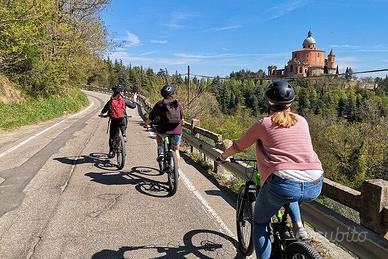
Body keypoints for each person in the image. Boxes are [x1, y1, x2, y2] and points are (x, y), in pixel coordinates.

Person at [217, 80, 323, 259]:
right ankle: (298, 225)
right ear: (291, 103)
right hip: (315, 181)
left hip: (282, 182)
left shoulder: (264, 124)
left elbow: (238, 146)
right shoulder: (302, 121)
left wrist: (222, 157)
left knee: (259, 223)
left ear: (269, 103)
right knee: (292, 190)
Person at [144, 84, 184, 163]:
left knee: (158, 136)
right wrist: (181, 125)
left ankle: (161, 152)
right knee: (176, 150)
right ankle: (177, 170)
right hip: (177, 131)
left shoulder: (159, 104)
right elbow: (182, 118)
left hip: (164, 130)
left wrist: (146, 124)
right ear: (172, 93)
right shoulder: (177, 104)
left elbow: (151, 117)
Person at [100, 84, 136, 158]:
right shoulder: (124, 100)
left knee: (112, 137)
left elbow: (104, 109)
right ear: (121, 92)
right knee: (124, 121)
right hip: (122, 120)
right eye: (123, 91)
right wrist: (134, 100)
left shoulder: (111, 100)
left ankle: (111, 151)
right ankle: (124, 134)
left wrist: (102, 113)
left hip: (114, 120)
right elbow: (133, 106)